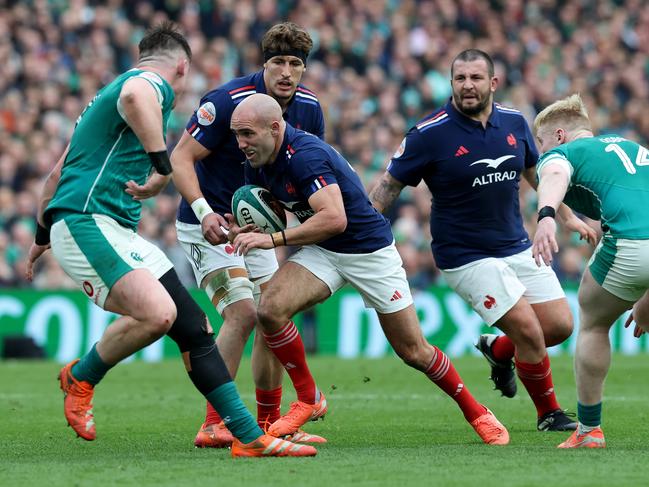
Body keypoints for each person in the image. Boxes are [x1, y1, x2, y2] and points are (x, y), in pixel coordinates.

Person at [24, 22, 315, 458]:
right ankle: (82, 377)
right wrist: (161, 166)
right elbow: (135, 98)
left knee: (193, 327)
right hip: (89, 222)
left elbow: (55, 176)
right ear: (181, 65)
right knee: (163, 314)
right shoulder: (147, 84)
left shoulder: (100, 108)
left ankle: (248, 436)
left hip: (112, 229)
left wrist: (42, 235)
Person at [229, 92, 510, 446]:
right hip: (325, 250)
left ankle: (478, 413)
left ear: (274, 128)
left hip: (368, 251)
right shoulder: (257, 158)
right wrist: (247, 227)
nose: (240, 143)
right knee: (269, 309)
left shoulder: (305, 156)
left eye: (247, 134)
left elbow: (334, 218)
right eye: (236, 134)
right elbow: (280, 208)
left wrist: (273, 240)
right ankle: (309, 399)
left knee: (414, 351)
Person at [368, 49, 597, 432]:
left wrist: (567, 215)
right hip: (465, 256)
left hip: (516, 245)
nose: (467, 86)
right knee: (528, 329)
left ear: (493, 83)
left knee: (559, 326)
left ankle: (497, 349)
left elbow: (536, 175)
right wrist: (363, 229)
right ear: (451, 83)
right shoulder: (428, 133)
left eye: (476, 78)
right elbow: (388, 187)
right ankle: (549, 414)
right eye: (460, 79)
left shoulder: (514, 122)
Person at [170, 21, 325, 447]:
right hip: (209, 226)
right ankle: (214, 422)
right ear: (264, 63)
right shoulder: (225, 102)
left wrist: (289, 223)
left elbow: (308, 169)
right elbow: (180, 159)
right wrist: (203, 213)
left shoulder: (309, 108)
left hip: (257, 225)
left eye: (296, 64)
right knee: (243, 313)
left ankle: (270, 422)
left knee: (273, 313)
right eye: (279, 62)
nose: (287, 73)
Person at [532, 94, 649, 448]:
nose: (539, 152)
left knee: (595, 321)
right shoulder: (633, 147)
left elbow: (553, 173)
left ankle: (588, 431)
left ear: (559, 136)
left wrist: (546, 216)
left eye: (540, 143)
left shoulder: (564, 153)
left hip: (632, 245)